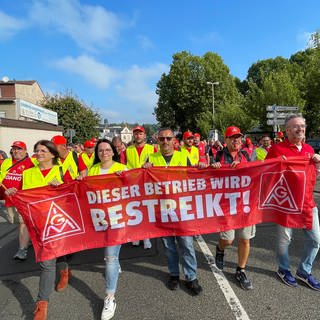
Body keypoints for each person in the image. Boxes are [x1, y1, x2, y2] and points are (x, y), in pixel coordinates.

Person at [8, 140, 72, 320]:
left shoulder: (61, 171)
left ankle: (42, 304)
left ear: (52, 154)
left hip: (57, 222)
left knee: (50, 260)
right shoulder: (27, 173)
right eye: (37, 150)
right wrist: (12, 192)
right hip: (36, 223)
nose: (39, 153)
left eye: (43, 150)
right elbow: (20, 194)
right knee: (49, 260)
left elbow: (73, 196)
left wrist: (60, 188)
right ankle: (62, 273)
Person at [143, 128, 202, 295]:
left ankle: (191, 277)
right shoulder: (152, 158)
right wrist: (144, 169)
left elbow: (194, 178)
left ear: (174, 140)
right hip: (162, 210)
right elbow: (143, 183)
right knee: (169, 246)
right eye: (162, 138)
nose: (165, 141)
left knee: (187, 245)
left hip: (182, 208)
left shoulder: (183, 156)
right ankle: (174, 274)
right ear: (157, 140)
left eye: (168, 138)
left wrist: (201, 167)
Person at [266, 114, 320, 290]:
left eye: (303, 126)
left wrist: (317, 164)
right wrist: (276, 164)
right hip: (286, 204)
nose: (300, 129)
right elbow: (265, 174)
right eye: (296, 126)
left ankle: (304, 271)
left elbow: (312, 176)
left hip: (307, 203)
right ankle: (283, 269)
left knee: (315, 240)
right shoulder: (276, 149)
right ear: (287, 130)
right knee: (285, 240)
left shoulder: (309, 150)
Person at [82, 139, 126, 320]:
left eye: (108, 149)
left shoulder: (122, 168)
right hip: (99, 219)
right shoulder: (92, 170)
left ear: (113, 152)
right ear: (96, 153)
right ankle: (115, 263)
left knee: (110, 257)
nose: (104, 153)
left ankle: (110, 297)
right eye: (100, 150)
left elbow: (135, 189)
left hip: (117, 219)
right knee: (110, 256)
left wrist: (126, 178)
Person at [211, 126, 254, 290]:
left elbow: (258, 169)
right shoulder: (219, 155)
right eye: (232, 137)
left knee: (245, 238)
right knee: (228, 239)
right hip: (227, 205)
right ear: (226, 140)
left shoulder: (247, 154)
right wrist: (213, 167)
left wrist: (244, 166)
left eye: (239, 137)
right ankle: (220, 249)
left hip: (246, 204)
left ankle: (240, 270)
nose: (236, 140)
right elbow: (208, 176)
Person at [0, 141, 34, 260]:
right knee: (16, 221)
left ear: (25, 150)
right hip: (9, 200)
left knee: (23, 224)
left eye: (19, 149)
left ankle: (22, 249)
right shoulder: (7, 162)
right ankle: (28, 240)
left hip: (23, 200)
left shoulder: (31, 162)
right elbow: (1, 176)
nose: (16, 151)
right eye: (14, 149)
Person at [126, 126, 156, 249]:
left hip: (147, 183)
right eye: (136, 134)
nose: (138, 136)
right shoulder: (128, 150)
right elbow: (122, 166)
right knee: (134, 210)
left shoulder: (152, 149)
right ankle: (136, 236)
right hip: (132, 183)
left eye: (140, 134)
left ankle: (147, 236)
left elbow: (156, 164)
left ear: (144, 135)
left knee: (146, 210)